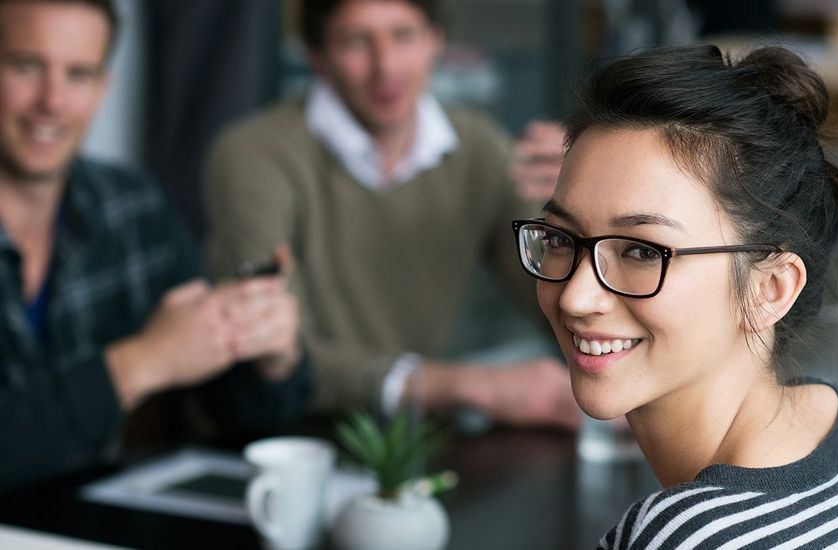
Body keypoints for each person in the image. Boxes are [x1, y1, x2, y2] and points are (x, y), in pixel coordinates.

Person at [515, 44, 838, 548]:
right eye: (560, 239)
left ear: (770, 289)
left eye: (642, 252)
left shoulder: (682, 536)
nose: (576, 298)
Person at [204, 0, 577, 428]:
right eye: (356, 41)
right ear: (317, 57)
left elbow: (556, 302)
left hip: (410, 438)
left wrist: (582, 211)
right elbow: (271, 345)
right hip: (284, 436)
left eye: (403, 35)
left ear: (436, 41)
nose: (386, 67)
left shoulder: (478, 147)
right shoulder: (255, 153)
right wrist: (468, 385)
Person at [0, 0, 308, 491]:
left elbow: (238, 415)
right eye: (26, 67)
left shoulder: (133, 207)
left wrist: (267, 353)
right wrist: (141, 362)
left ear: (102, 88)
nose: (52, 102)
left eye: (79, 74)